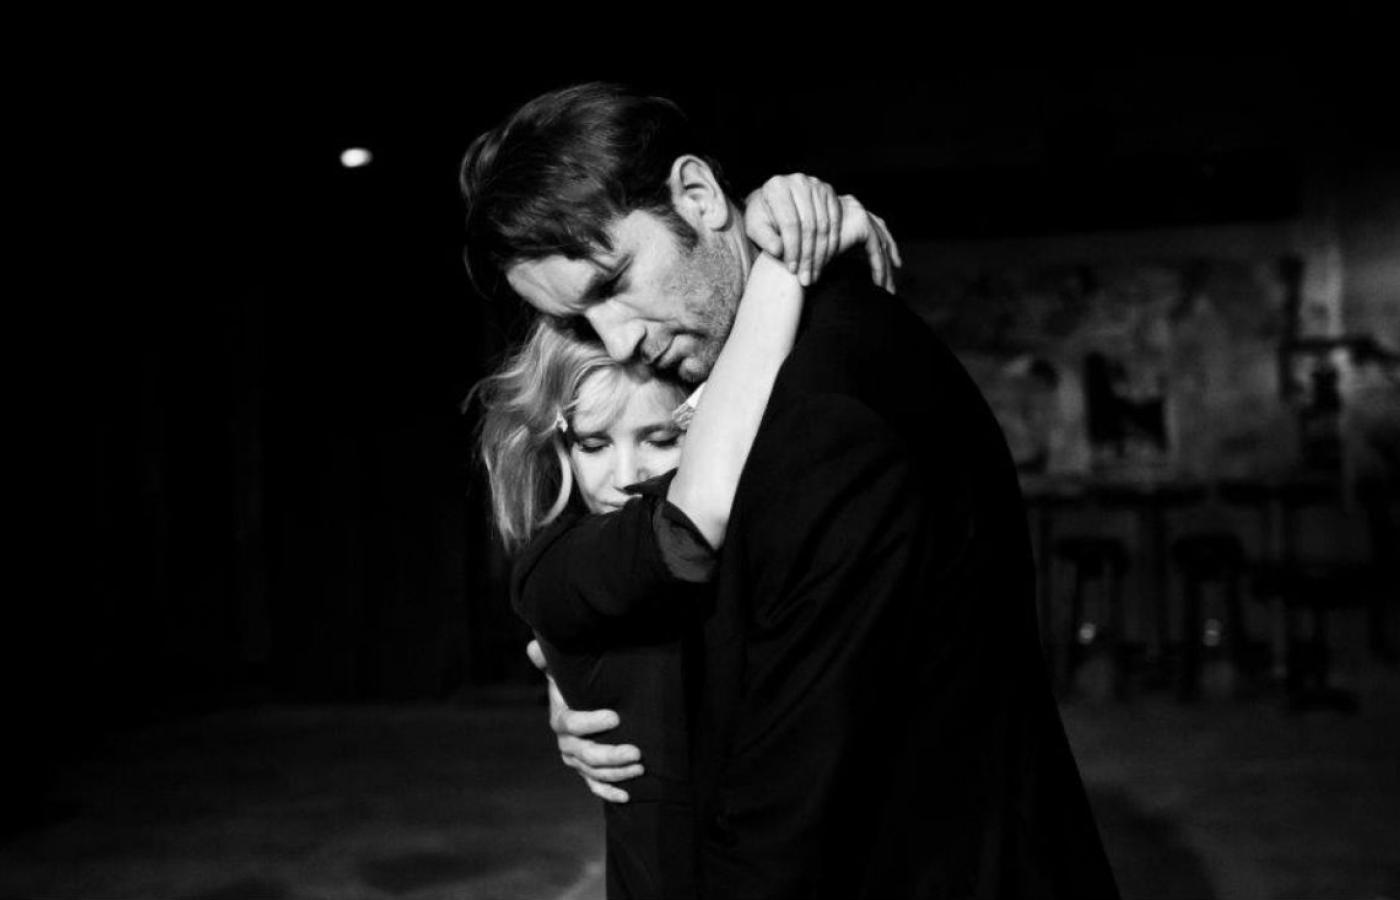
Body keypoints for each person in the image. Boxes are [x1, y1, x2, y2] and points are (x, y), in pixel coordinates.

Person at [461, 82, 1120, 898]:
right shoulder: (759, 372)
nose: (618, 341)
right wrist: (591, 674)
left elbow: (789, 803)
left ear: (698, 197)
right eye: (578, 323)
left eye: (614, 281)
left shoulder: (822, 416)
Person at [473, 181, 890, 898]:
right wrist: (784, 256)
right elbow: (687, 530)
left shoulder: (763, 530)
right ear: (558, 448)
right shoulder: (551, 570)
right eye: (593, 444)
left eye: (661, 439)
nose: (625, 477)